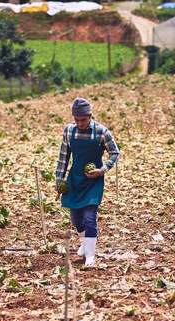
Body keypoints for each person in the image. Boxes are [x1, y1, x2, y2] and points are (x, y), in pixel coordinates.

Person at [55, 98, 120, 267]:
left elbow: (114, 152)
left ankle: (90, 256)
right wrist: (59, 180)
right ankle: (86, 243)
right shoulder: (69, 131)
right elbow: (63, 157)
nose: (80, 123)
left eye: (83, 120)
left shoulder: (101, 131)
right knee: (76, 219)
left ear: (90, 116)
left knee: (90, 217)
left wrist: (103, 169)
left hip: (93, 180)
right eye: (77, 120)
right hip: (75, 179)